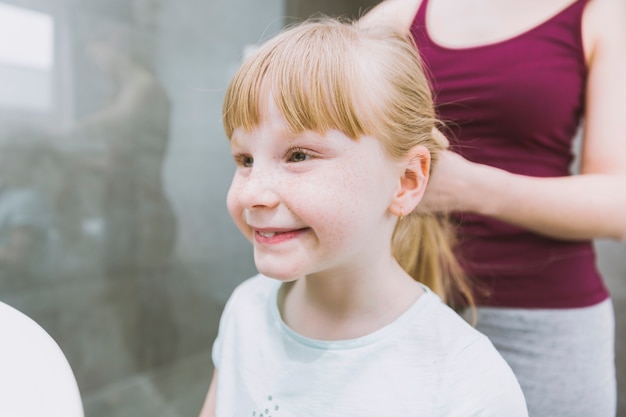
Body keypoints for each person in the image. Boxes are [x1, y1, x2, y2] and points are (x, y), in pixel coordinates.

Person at [199, 18, 528, 416]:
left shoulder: (465, 380)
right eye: (245, 159)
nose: (251, 193)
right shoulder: (245, 311)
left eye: (299, 155)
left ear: (406, 181)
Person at [359, 0, 626, 416]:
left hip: (542, 322)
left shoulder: (600, 12)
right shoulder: (407, 10)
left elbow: (618, 205)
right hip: (402, 307)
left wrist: (473, 188)